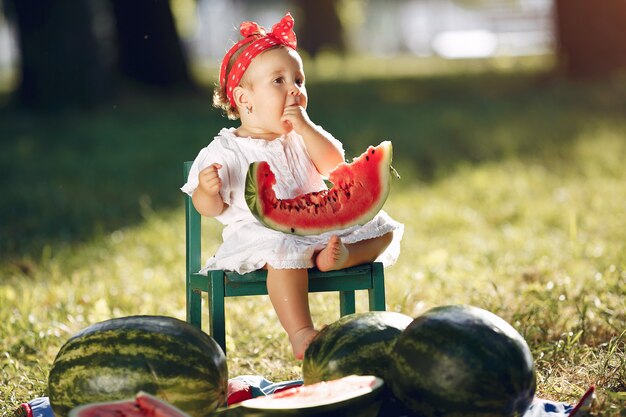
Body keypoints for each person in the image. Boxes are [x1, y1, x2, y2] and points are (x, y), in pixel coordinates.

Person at [181, 13, 403, 360]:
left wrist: (306, 127)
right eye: (279, 81)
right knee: (282, 248)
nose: (294, 89)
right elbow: (208, 208)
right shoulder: (225, 150)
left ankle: (342, 258)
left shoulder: (300, 139)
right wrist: (207, 191)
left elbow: (334, 164)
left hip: (318, 230)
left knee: (382, 226)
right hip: (261, 236)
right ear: (244, 99)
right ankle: (300, 332)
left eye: (298, 80)